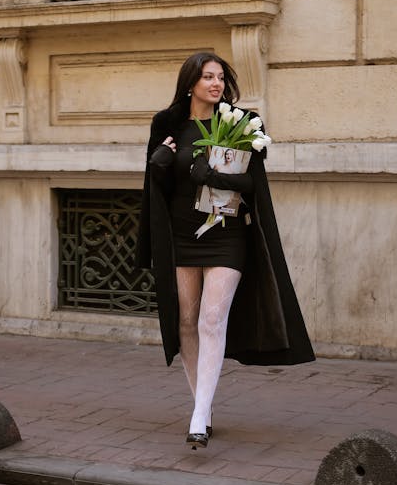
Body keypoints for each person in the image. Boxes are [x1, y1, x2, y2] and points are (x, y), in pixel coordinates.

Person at [135, 52, 315, 450]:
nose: (215, 84)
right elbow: (157, 187)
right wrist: (159, 164)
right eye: (207, 77)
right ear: (190, 83)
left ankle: (199, 417)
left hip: (227, 235)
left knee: (212, 319)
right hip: (182, 236)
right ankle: (204, 403)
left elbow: (253, 184)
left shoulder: (242, 122)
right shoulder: (167, 123)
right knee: (186, 320)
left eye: (220, 77)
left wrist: (212, 176)